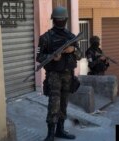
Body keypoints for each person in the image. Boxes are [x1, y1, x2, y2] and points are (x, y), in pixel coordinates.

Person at [36, 6, 81, 141]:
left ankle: (60, 130)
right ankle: (50, 134)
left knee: (63, 104)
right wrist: (52, 56)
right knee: (54, 105)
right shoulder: (45, 38)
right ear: (55, 20)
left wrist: (72, 49)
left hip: (68, 75)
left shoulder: (71, 37)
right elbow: (39, 57)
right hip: (54, 76)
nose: (60, 21)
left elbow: (79, 55)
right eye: (59, 19)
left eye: (61, 19)